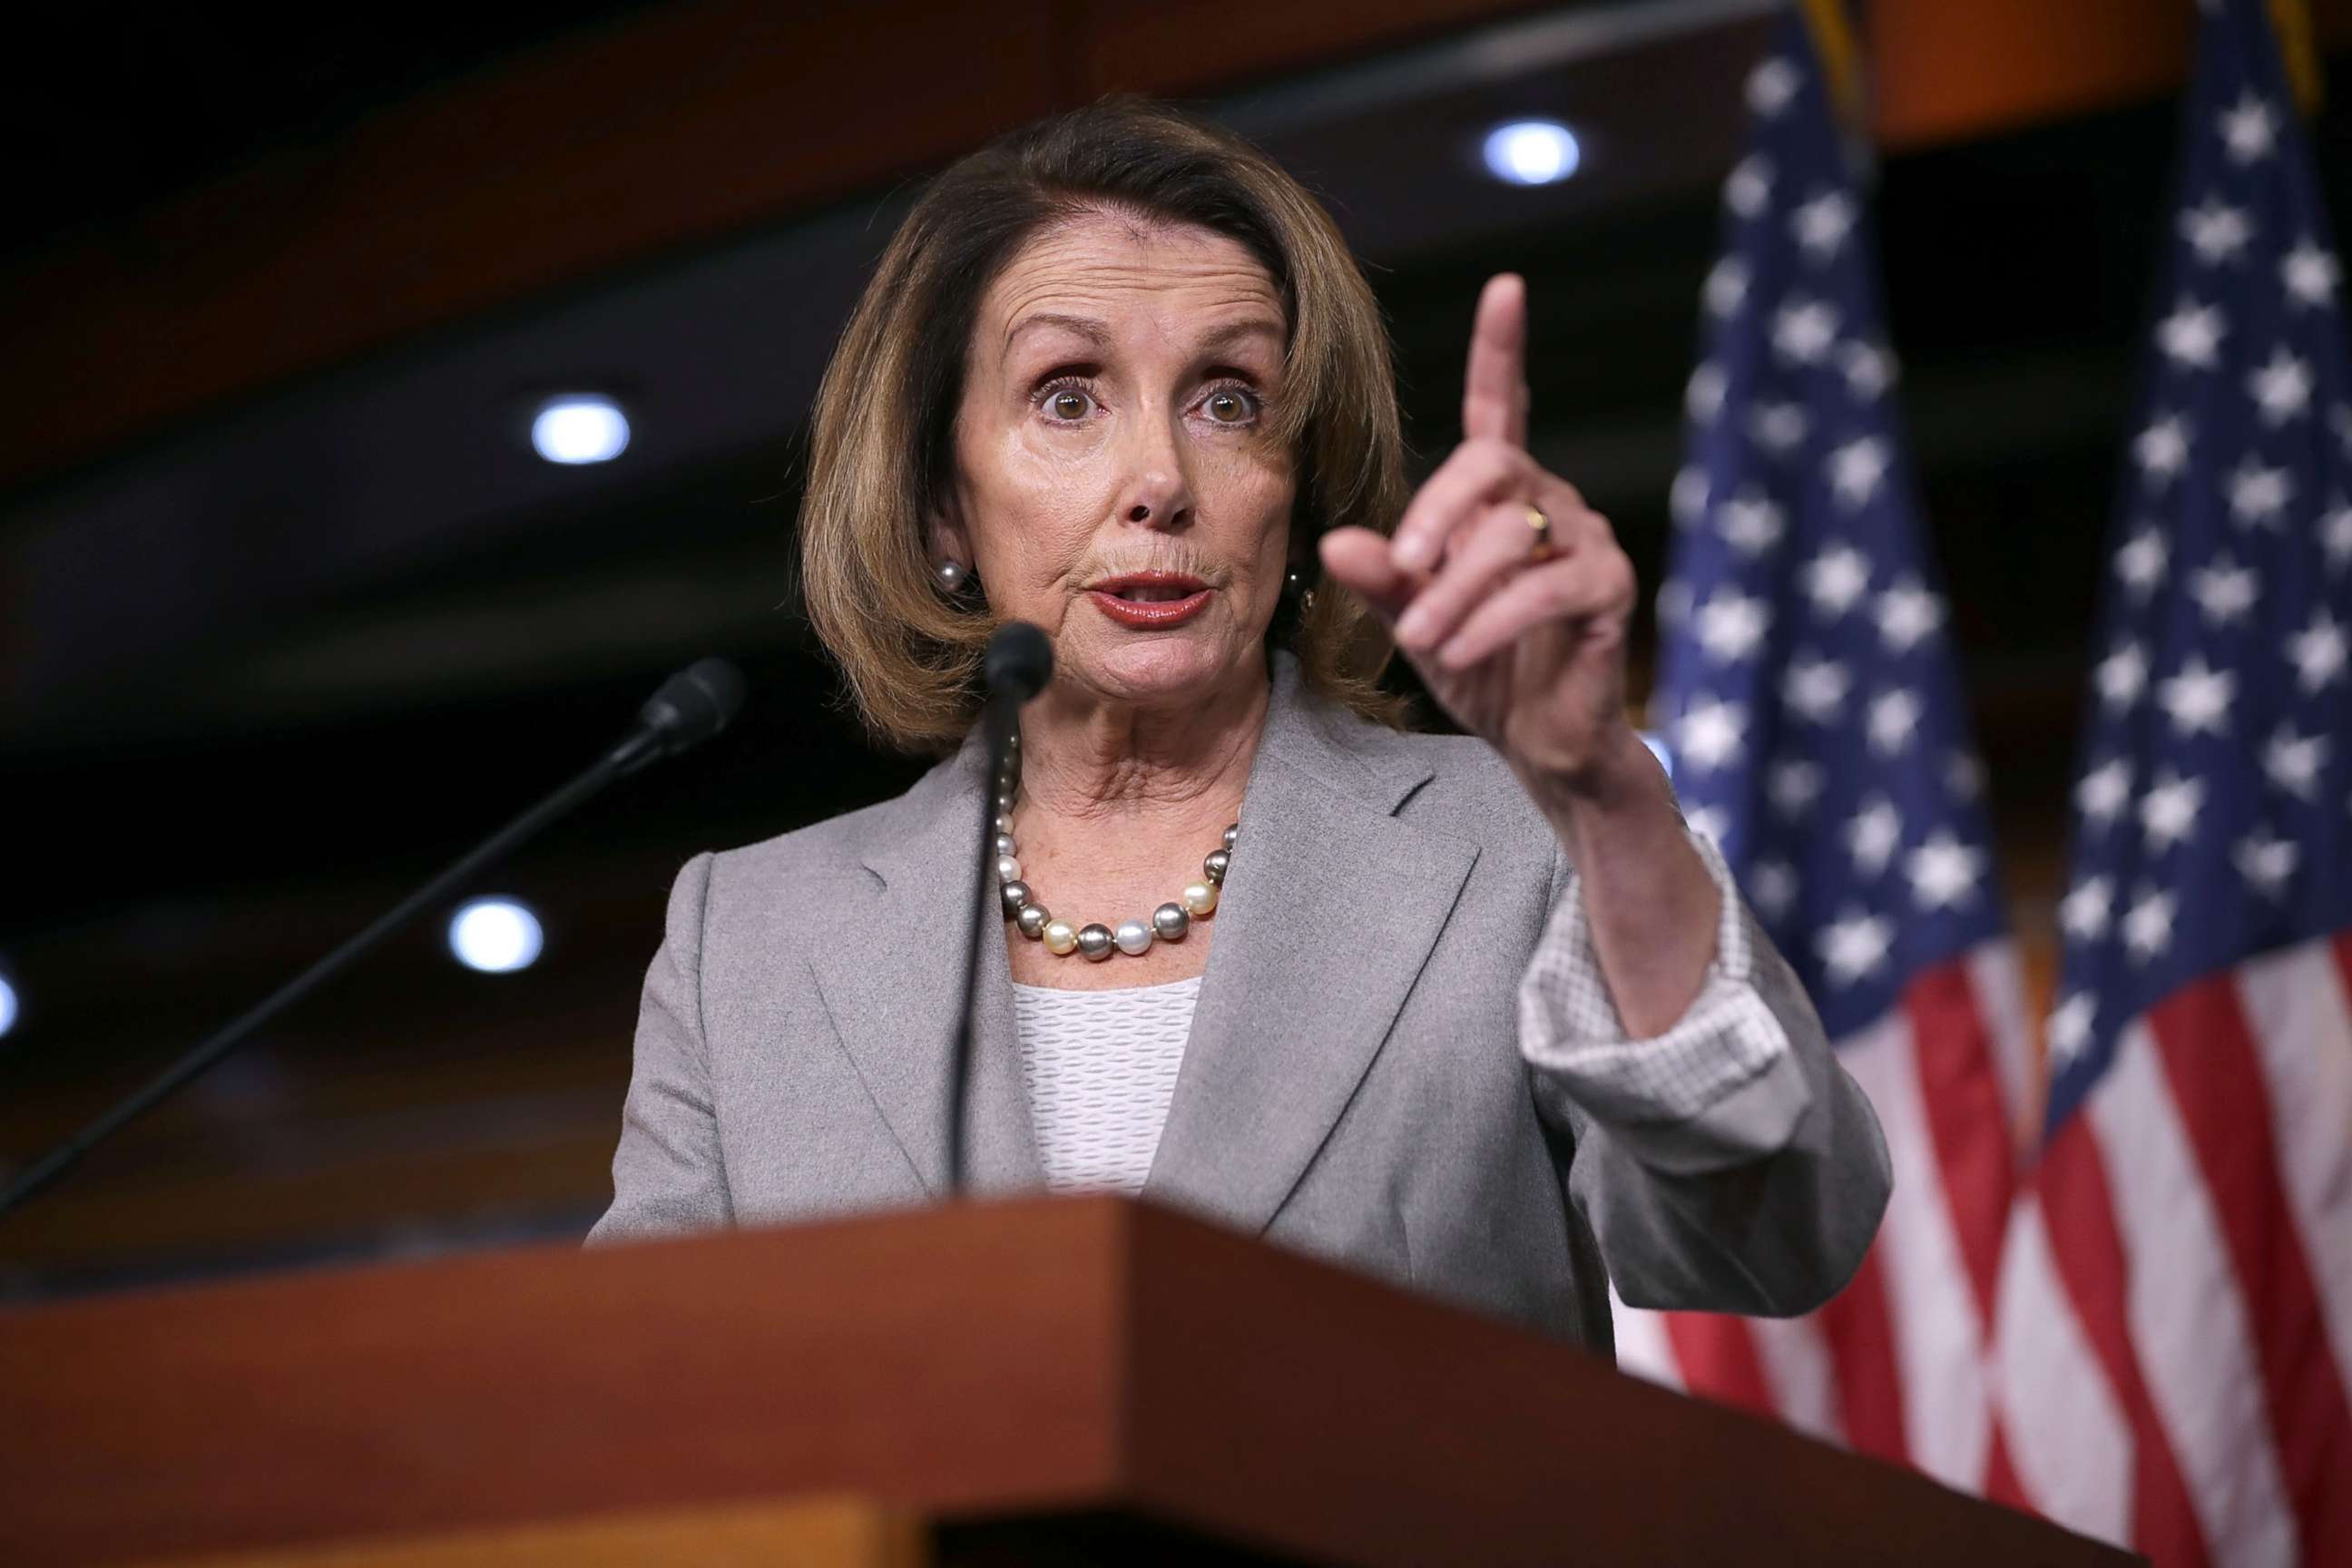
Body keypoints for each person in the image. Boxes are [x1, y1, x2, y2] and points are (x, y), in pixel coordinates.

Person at [588, 99, 1889, 1345]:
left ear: (1300, 482)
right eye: (1067, 396)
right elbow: (628, 1408)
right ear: (940, 502)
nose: (1161, 479)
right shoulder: (744, 941)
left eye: (1230, 401)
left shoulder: (1526, 851)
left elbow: (1773, 1240)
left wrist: (1608, 798)